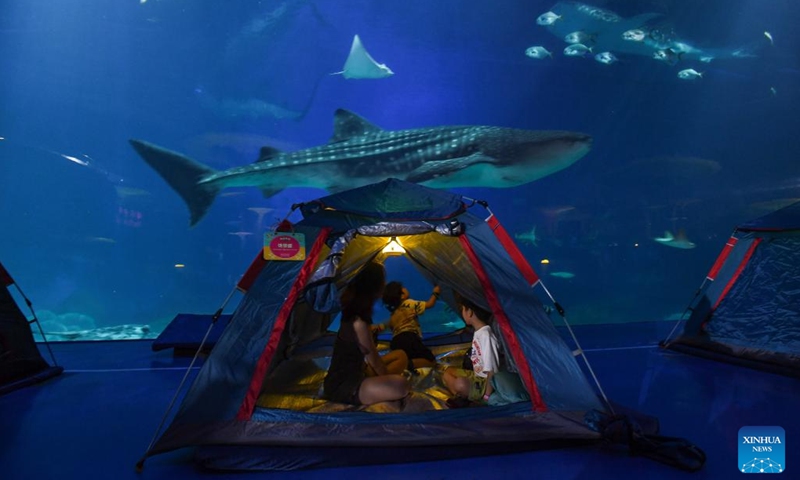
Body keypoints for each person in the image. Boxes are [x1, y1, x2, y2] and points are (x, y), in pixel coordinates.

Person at [323, 262, 410, 406]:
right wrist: (388, 381)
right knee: (401, 384)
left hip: (359, 371)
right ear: (374, 287)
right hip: (344, 386)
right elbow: (375, 362)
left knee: (400, 355)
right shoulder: (359, 322)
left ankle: (377, 383)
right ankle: (379, 385)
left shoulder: (355, 314)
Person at [442, 295, 499, 405]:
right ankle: (464, 395)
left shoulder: (486, 335)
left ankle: (470, 398)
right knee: (448, 372)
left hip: (484, 383)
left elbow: (492, 371)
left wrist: (487, 397)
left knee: (460, 384)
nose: (462, 312)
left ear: (470, 312)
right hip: (476, 376)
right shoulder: (479, 332)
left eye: (463, 309)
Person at [376, 282, 440, 370]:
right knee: (431, 360)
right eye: (403, 287)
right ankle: (408, 365)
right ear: (402, 295)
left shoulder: (393, 314)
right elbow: (430, 304)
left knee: (406, 358)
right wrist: (435, 292)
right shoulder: (409, 303)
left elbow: (382, 326)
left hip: (395, 342)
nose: (405, 288)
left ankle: (403, 366)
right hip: (410, 338)